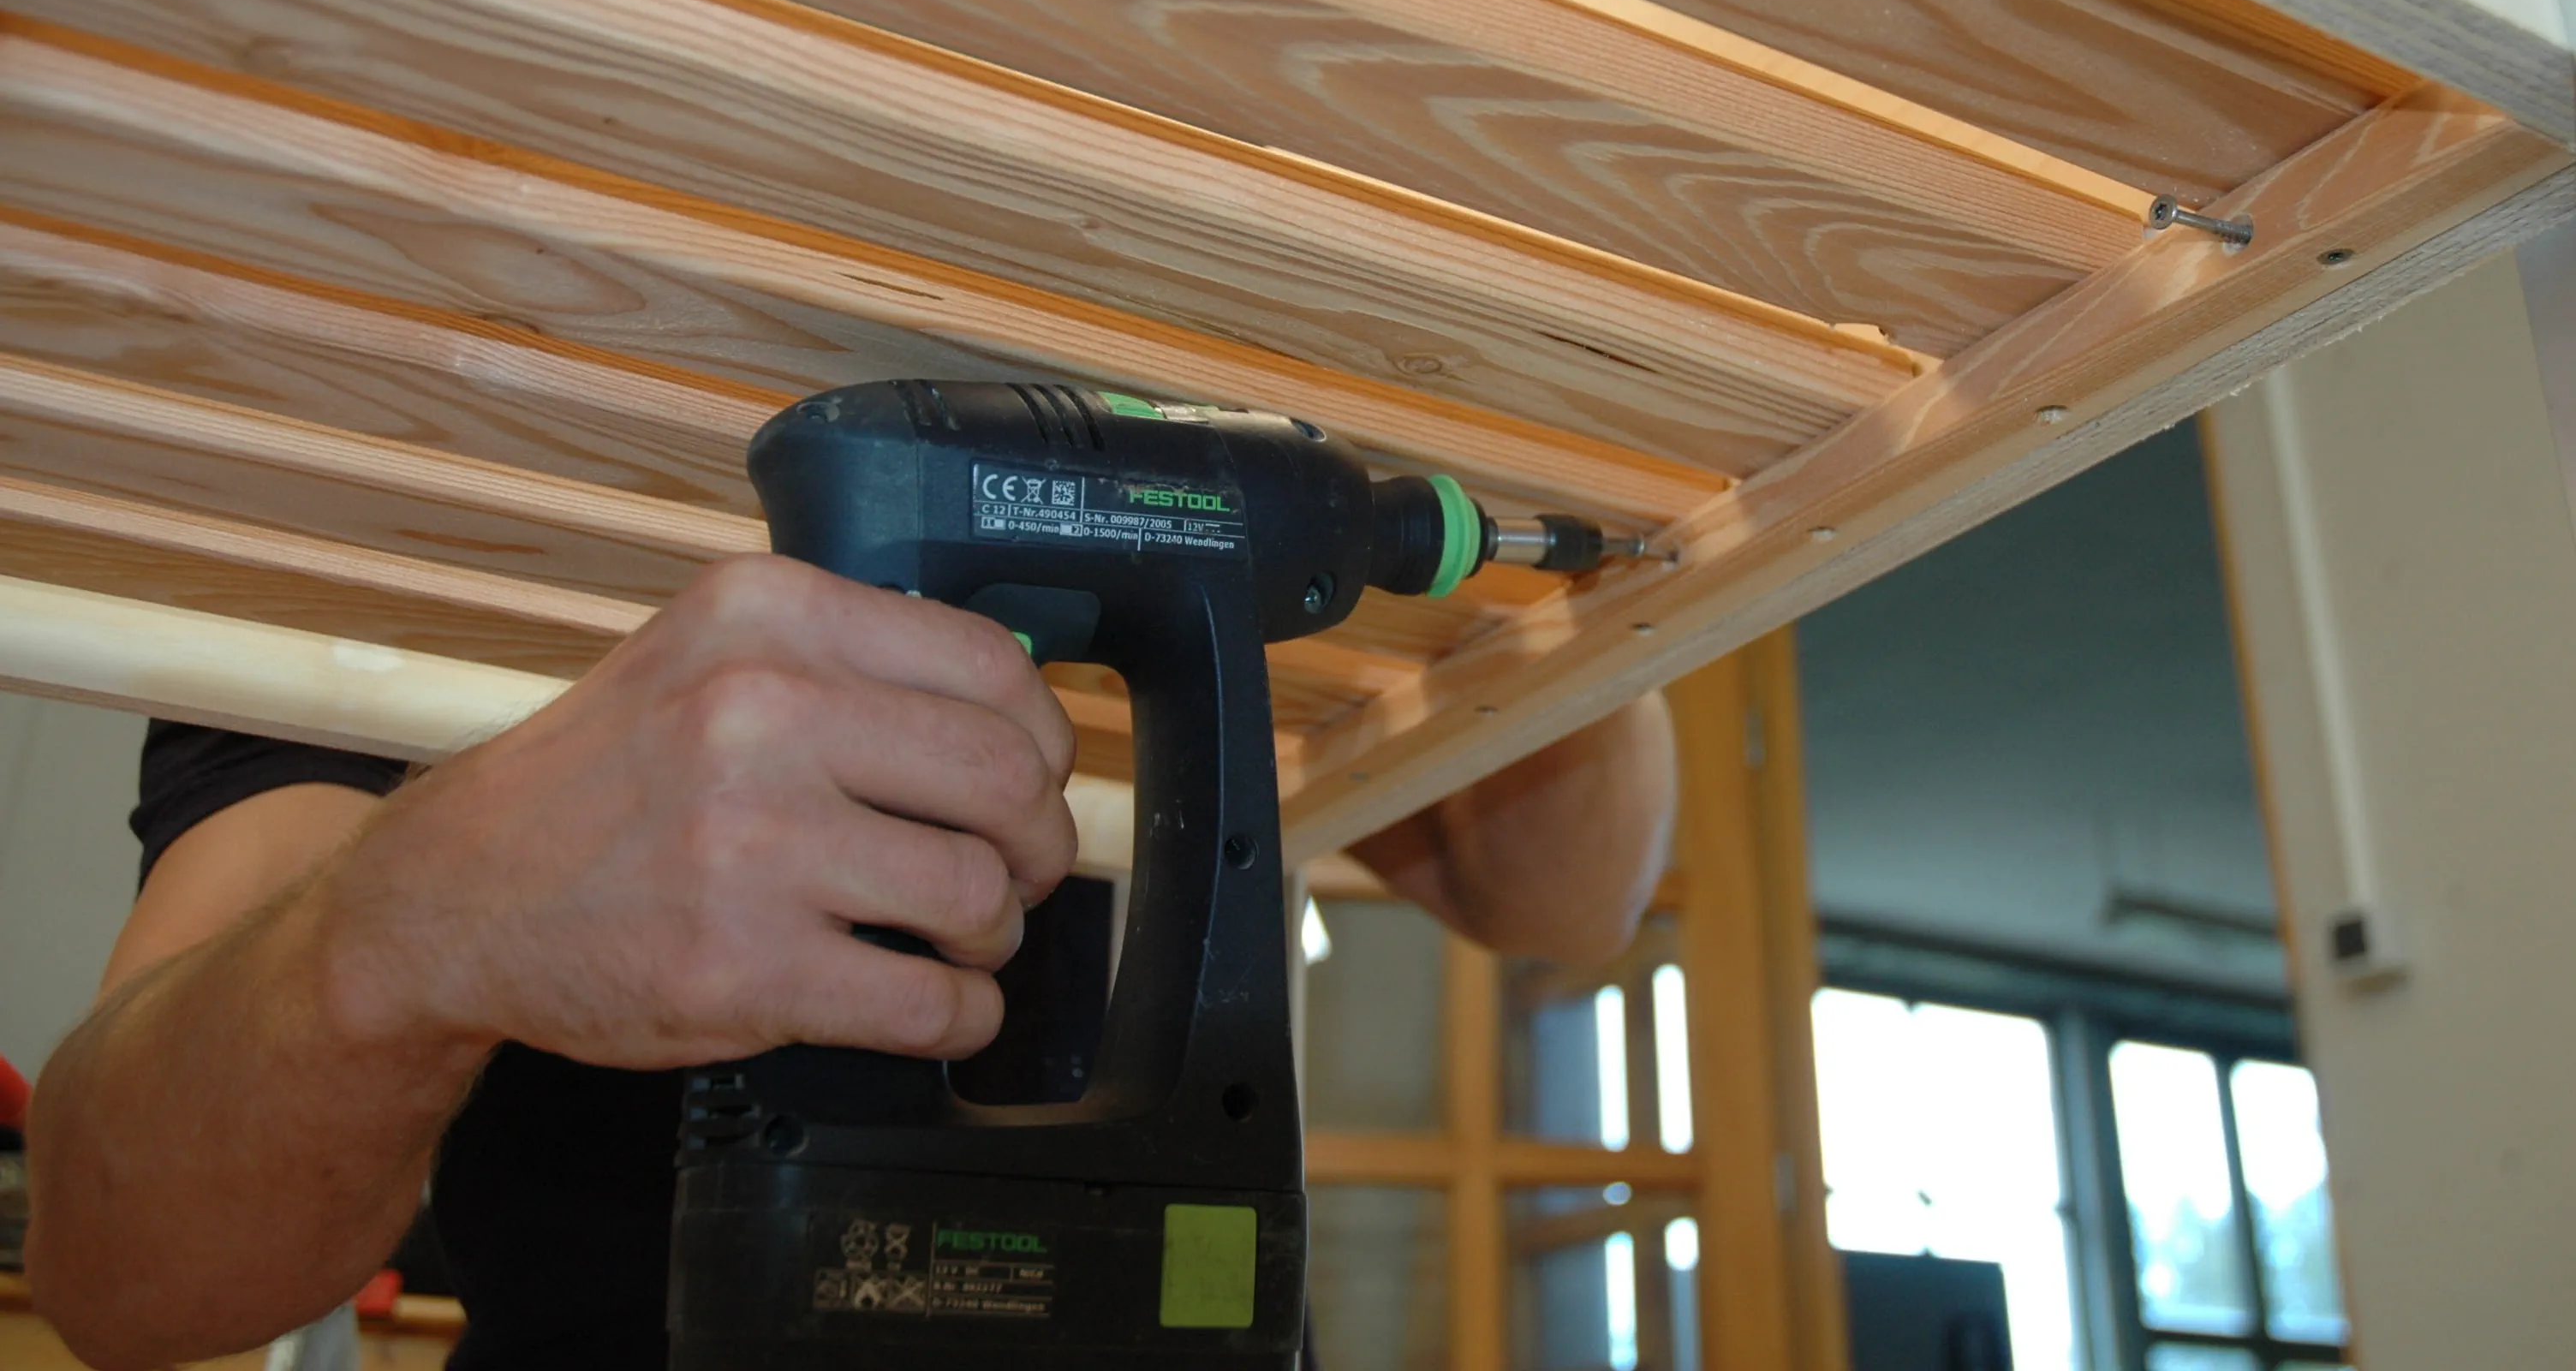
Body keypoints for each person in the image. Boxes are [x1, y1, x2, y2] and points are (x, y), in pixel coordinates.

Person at [26, 556, 1675, 1369]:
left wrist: (1475, 390)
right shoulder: (420, 397)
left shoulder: (1183, 315)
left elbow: (1569, 888)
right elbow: (121, 1266)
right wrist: (410, 927)